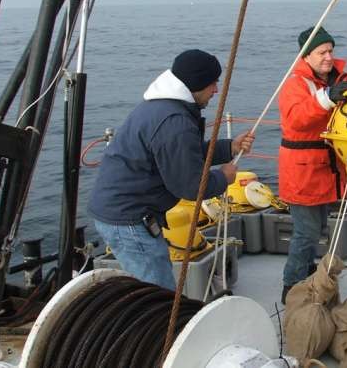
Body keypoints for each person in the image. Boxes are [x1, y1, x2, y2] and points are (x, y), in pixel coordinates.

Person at [88, 49, 255, 290]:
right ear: (196, 85)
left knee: (152, 286)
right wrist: (224, 177)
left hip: (121, 212)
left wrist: (230, 147)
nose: (216, 90)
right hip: (129, 220)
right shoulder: (174, 121)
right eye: (212, 83)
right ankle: (155, 328)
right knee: (157, 293)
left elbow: (183, 154)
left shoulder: (162, 107)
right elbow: (190, 186)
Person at [278, 26, 347, 304]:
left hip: (326, 169)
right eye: (322, 52)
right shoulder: (295, 84)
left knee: (318, 227)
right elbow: (297, 118)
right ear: (306, 56)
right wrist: (327, 98)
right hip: (303, 171)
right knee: (306, 232)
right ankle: (291, 286)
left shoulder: (339, 79)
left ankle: (308, 273)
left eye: (331, 51)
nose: (328, 57)